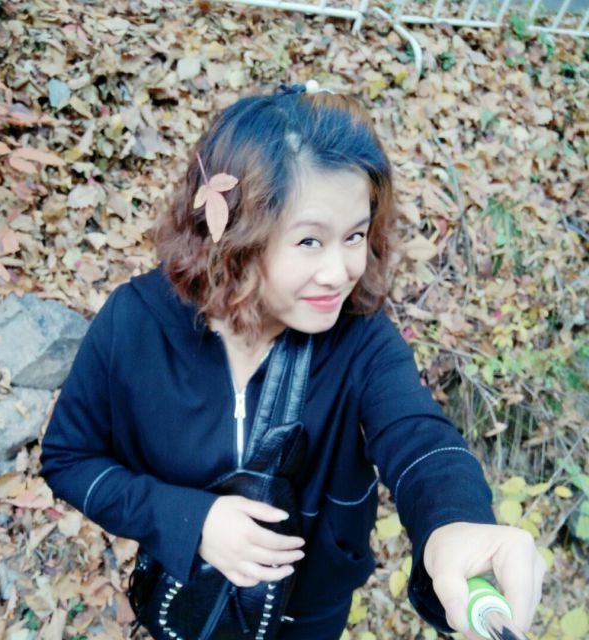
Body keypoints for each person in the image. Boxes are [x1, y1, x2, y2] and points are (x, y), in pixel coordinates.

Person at [40, 83, 545, 639]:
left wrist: (455, 524)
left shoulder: (360, 342)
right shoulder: (136, 324)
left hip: (308, 620)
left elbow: (419, 437)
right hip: (185, 600)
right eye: (309, 242)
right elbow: (69, 458)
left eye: (354, 235)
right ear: (235, 234)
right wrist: (189, 521)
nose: (340, 271)